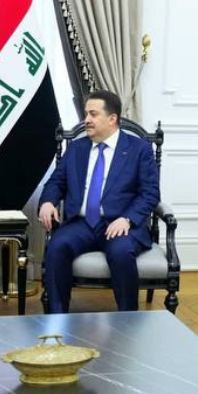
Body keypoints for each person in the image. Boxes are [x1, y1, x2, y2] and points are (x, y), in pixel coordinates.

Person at [39, 90, 160, 314]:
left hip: (120, 224)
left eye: (93, 114)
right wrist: (48, 202)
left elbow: (150, 193)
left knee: (121, 252)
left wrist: (127, 219)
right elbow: (56, 182)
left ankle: (128, 319)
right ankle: (56, 319)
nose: (86, 119)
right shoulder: (77, 148)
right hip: (82, 224)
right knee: (56, 247)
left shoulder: (138, 149)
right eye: (86, 114)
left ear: (112, 118)